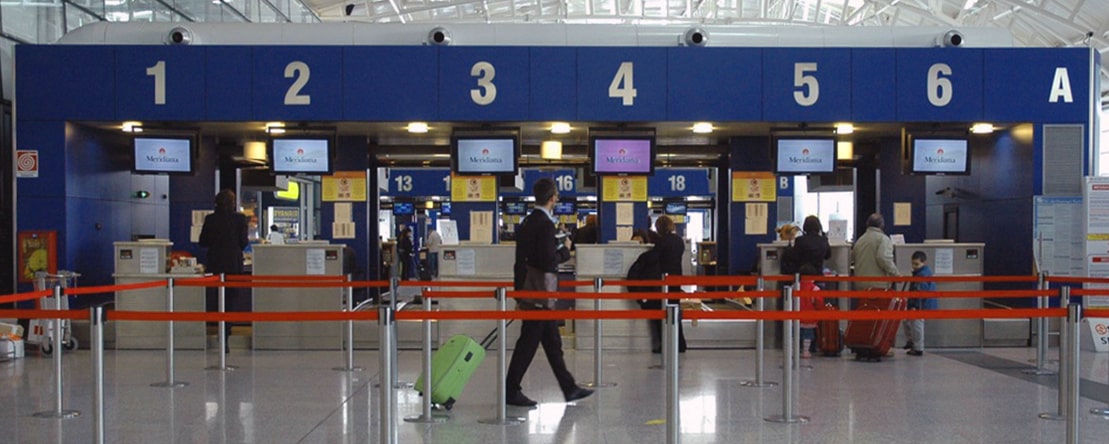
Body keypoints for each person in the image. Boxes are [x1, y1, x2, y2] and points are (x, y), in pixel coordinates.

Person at [506, 177, 593, 407]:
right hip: (541, 294)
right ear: (553, 198)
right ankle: (511, 390)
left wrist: (518, 293)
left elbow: (519, 261)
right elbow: (547, 261)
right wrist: (565, 251)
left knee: (552, 342)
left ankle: (569, 387)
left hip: (529, 291)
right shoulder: (545, 225)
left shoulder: (526, 222)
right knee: (528, 343)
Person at [198, 189, 249, 352]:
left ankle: (219, 329)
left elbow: (203, 241)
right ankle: (226, 333)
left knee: (217, 298)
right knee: (231, 300)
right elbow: (243, 242)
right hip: (233, 264)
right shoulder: (240, 219)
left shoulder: (210, 219)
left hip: (215, 263)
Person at [644, 215, 688, 353]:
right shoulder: (679, 241)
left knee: (661, 314)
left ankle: (664, 344)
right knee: (675, 313)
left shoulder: (662, 241)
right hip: (676, 280)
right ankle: (680, 344)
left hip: (663, 282)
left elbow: (653, 258)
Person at [851, 213, 899, 291]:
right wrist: (896, 275)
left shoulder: (860, 240)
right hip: (878, 284)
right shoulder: (883, 239)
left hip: (860, 284)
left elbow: (853, 258)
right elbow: (884, 258)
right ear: (882, 225)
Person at [903, 251, 937, 356]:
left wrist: (914, 306)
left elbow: (919, 293)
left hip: (920, 305)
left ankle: (918, 347)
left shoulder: (921, 275)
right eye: (913, 263)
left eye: (917, 264)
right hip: (922, 303)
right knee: (908, 321)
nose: (914, 266)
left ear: (924, 263)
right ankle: (912, 342)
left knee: (917, 325)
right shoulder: (924, 273)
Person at [797, 263, 825, 359]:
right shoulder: (815, 289)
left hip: (796, 317)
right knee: (807, 335)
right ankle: (805, 351)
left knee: (796, 334)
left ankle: (794, 350)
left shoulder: (795, 287)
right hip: (809, 317)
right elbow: (819, 303)